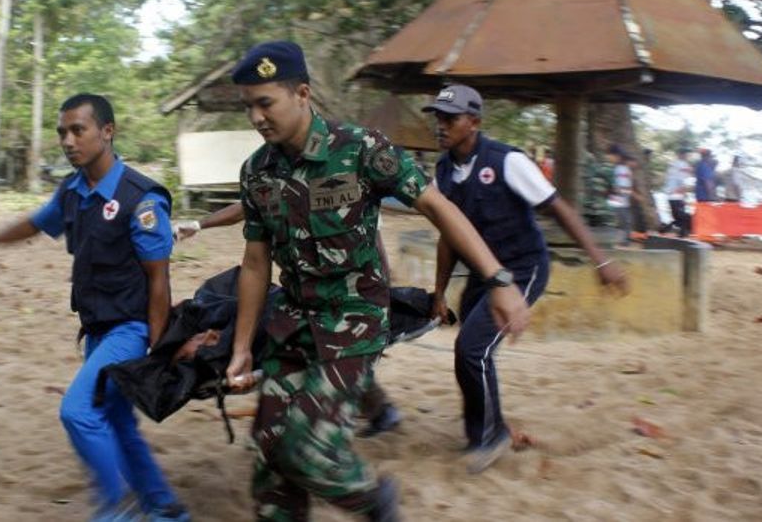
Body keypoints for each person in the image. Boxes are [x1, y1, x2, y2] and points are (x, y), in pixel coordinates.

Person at [222, 42, 531, 521]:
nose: (257, 117)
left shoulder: (361, 149)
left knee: (306, 447)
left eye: (266, 102)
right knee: (269, 450)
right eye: (249, 106)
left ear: (302, 94)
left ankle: (374, 502)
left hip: (353, 321)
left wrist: (498, 279)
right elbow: (256, 261)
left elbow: (437, 207)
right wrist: (243, 344)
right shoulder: (257, 172)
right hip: (292, 324)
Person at [0, 94, 190, 522]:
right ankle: (164, 506)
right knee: (117, 421)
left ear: (107, 131)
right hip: (96, 330)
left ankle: (118, 509)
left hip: (130, 330)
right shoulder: (74, 191)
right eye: (62, 131)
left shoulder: (141, 198)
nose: (68, 140)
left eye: (78, 129)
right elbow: (36, 224)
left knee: (77, 412)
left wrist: (158, 349)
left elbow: (159, 280)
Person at [422, 84, 629, 474]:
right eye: (438, 117)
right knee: (472, 351)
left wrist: (601, 262)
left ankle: (490, 437)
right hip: (484, 275)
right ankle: (488, 428)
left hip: (524, 267)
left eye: (450, 118)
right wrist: (438, 292)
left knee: (472, 349)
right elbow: (448, 238)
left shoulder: (507, 161)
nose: (441, 125)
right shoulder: (443, 171)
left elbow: (560, 209)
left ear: (475, 122)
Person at [175, 203, 403, 438]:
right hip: (304, 291)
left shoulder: (350, 179)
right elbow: (247, 205)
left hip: (347, 293)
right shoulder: (275, 173)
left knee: (332, 356)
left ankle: (367, 415)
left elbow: (375, 240)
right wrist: (199, 224)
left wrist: (380, 296)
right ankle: (377, 411)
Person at [605, 145, 634, 246]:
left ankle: (624, 241)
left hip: (619, 197)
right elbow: (622, 186)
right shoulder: (621, 169)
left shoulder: (621, 169)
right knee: (623, 220)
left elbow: (622, 186)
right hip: (619, 198)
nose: (608, 158)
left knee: (622, 220)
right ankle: (623, 241)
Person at [662, 148, 693, 237]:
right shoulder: (682, 165)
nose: (686, 156)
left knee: (678, 216)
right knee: (681, 216)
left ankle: (669, 229)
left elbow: (671, 179)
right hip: (677, 194)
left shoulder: (673, 165)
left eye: (686, 154)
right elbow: (684, 181)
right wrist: (683, 191)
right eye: (685, 154)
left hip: (671, 194)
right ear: (680, 154)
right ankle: (680, 233)